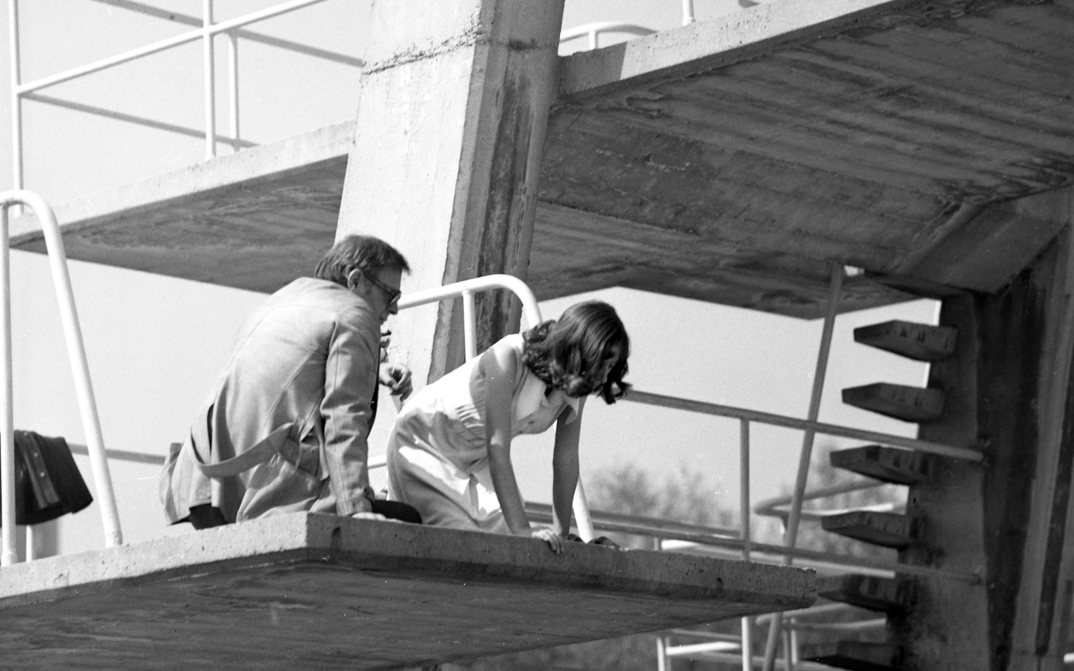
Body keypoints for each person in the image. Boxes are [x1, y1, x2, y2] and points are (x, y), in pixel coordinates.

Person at [159, 234, 420, 528]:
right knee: (410, 520)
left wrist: (374, 370)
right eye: (390, 295)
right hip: (264, 494)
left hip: (204, 485)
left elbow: (287, 377)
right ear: (356, 279)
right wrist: (355, 508)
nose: (394, 308)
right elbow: (344, 418)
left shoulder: (284, 298)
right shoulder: (356, 315)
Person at [385, 300, 630, 552]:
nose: (604, 376)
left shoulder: (575, 384)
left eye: (610, 367)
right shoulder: (507, 357)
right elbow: (498, 448)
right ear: (579, 352)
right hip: (422, 444)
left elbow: (565, 460)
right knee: (465, 543)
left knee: (508, 545)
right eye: (602, 364)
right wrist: (522, 529)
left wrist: (561, 534)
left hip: (474, 464)